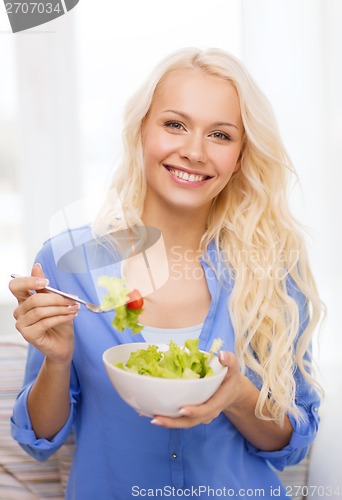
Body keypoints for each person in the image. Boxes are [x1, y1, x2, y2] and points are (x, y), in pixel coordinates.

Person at [9, 47, 323, 500]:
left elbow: (289, 444)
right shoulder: (69, 262)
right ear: (141, 131)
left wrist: (235, 394)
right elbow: (39, 437)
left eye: (220, 134)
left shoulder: (272, 264)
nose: (193, 151)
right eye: (175, 124)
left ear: (240, 156)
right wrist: (57, 361)